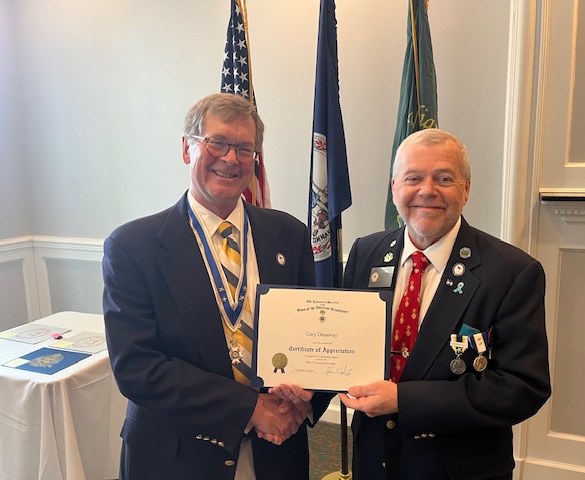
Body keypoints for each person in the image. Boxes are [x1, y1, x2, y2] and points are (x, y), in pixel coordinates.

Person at [102, 93, 330, 480]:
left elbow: (314, 335)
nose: (230, 158)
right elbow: (138, 368)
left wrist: (304, 403)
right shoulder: (132, 247)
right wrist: (250, 408)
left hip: (276, 449)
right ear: (186, 148)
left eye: (244, 149)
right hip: (178, 458)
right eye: (217, 142)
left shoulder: (289, 235)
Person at [337, 129, 551, 479]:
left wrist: (403, 400)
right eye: (413, 178)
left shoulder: (512, 272)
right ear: (394, 188)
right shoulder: (365, 253)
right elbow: (343, 346)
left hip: (456, 468)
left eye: (444, 179)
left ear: (466, 189)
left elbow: (522, 387)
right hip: (373, 460)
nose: (427, 191)